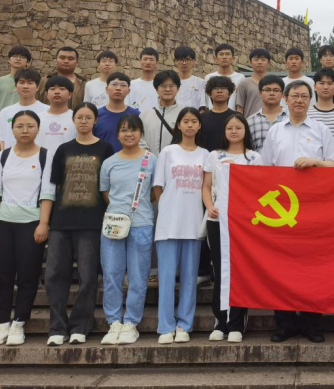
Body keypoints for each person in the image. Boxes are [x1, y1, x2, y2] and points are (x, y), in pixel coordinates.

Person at [261, 80, 334, 343]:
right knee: (281, 267)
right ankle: (284, 323)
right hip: (282, 210)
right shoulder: (275, 131)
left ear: (310, 100)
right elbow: (265, 170)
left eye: (304, 96)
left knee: (313, 267)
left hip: (313, 209)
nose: (299, 100)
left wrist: (316, 162)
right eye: (294, 95)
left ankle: (311, 323)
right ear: (285, 99)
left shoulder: (321, 130)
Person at [0, 110, 55, 347]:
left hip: (32, 224)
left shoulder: (46, 156)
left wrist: (43, 223)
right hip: (3, 223)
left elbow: (48, 193)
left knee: (27, 275)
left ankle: (19, 322)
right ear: (12, 129)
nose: (25, 130)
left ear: (38, 129)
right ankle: (2, 322)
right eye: (20, 126)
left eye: (30, 126)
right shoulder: (1, 157)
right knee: (1, 275)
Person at [44, 102, 114, 346]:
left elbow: (108, 185)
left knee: (87, 276)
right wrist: (47, 221)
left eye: (88, 117)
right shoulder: (63, 149)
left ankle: (80, 326)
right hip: (61, 222)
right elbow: (55, 185)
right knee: (54, 274)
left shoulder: (105, 148)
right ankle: (57, 327)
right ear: (73, 121)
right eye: (80, 117)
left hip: (92, 222)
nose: (84, 121)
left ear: (95, 121)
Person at [203, 113, 262, 343]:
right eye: (230, 128)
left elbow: (259, 190)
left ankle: (237, 322)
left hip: (243, 223)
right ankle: (220, 322)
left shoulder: (254, 157)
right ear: (224, 132)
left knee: (240, 271)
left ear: (246, 130)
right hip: (218, 220)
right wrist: (209, 206)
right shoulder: (215, 156)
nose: (234, 131)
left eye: (238, 127)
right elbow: (206, 186)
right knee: (220, 270)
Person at [99, 115, 157, 346]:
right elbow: (105, 193)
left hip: (142, 222)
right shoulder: (109, 162)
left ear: (141, 133)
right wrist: (120, 212)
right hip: (113, 223)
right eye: (124, 130)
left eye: (133, 129)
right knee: (112, 274)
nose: (129, 134)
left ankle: (131, 322)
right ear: (117, 135)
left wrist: (136, 209)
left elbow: (155, 192)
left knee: (138, 276)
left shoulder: (151, 160)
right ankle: (114, 321)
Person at [153, 107, 208, 344]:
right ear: (178, 125)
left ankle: (184, 324)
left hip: (193, 223)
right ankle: (165, 326)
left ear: (199, 125)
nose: (189, 125)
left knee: (189, 278)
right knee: (166, 279)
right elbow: (158, 187)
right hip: (168, 224)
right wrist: (168, 207)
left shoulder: (205, 154)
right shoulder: (168, 152)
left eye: (194, 121)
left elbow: (208, 188)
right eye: (185, 121)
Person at [0, 68, 47, 149]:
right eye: (21, 82)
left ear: (37, 87)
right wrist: (4, 155)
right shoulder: (6, 112)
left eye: (30, 83)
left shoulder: (47, 110)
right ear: (15, 86)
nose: (25, 86)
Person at [0, 45, 32, 126]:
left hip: (25, 125)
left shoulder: (33, 83)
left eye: (22, 57)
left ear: (28, 62)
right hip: (1, 125)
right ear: (9, 60)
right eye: (15, 56)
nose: (18, 59)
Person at [94, 72, 140, 153]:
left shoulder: (137, 115)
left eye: (123, 85)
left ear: (129, 91)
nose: (118, 88)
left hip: (130, 159)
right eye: (114, 84)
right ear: (106, 89)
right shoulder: (96, 115)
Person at [139, 70, 182, 156]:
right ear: (156, 89)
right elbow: (140, 139)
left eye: (172, 86)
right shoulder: (145, 115)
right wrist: (149, 157)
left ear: (178, 89)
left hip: (175, 162)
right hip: (149, 161)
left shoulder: (184, 115)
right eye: (163, 86)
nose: (168, 89)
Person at [37, 76, 76, 162]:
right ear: (47, 94)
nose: (57, 92)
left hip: (67, 164)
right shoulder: (37, 118)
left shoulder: (76, 118)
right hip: (40, 163)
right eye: (52, 89)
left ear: (70, 94)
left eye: (62, 89)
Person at [247, 75, 288, 152]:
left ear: (282, 94)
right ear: (260, 93)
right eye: (267, 90)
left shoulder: (290, 119)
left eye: (276, 90)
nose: (272, 93)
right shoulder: (250, 122)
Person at [199, 76, 236, 151]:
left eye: (223, 88)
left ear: (230, 93)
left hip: (231, 156)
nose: (219, 91)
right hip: (207, 156)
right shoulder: (201, 118)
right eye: (215, 88)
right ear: (209, 93)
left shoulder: (236, 117)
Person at [204, 43, 245, 110]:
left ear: (233, 58)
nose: (224, 57)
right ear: (215, 58)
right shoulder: (209, 78)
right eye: (221, 54)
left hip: (233, 115)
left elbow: (241, 102)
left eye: (227, 54)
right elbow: (206, 101)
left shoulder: (240, 78)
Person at [236, 47, 271, 119]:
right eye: (256, 59)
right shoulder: (244, 83)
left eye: (263, 59)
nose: (259, 62)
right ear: (251, 63)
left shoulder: (273, 84)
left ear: (268, 63)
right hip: (249, 122)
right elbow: (239, 108)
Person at [174, 46, 207, 111]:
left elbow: (202, 108)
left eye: (187, 59)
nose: (184, 63)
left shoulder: (200, 82)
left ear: (193, 61)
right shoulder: (171, 82)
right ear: (176, 61)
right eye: (181, 59)